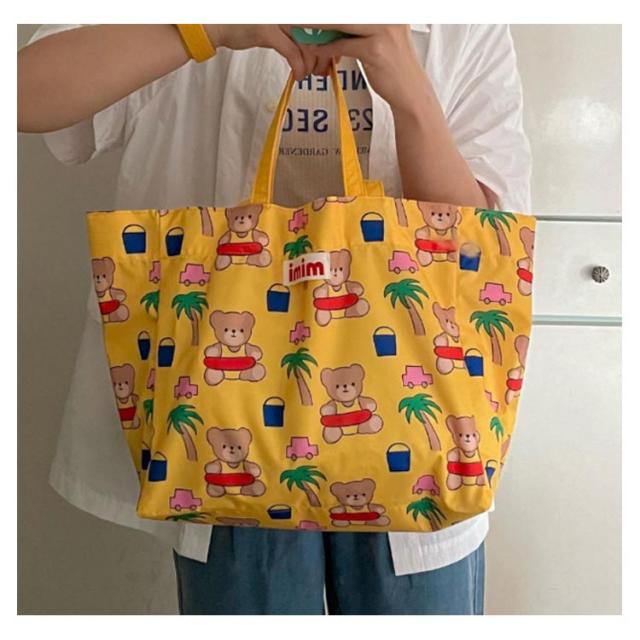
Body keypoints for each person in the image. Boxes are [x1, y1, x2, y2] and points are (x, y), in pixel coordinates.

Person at [18, 24, 531, 615]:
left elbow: (477, 252)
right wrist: (209, 27)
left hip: (425, 443)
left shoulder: (463, 23)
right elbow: (25, 93)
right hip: (224, 438)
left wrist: (410, 92)